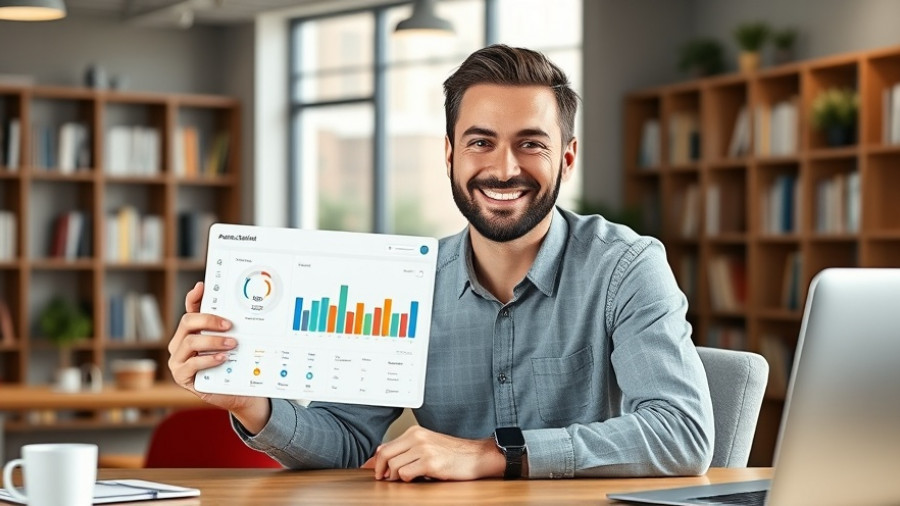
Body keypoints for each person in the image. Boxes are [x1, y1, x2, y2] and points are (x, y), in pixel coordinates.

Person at [168, 44, 713, 482]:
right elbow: (346, 438)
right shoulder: (404, 284)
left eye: (531, 144)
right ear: (450, 154)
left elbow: (681, 433)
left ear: (566, 158)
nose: (504, 169)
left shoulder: (626, 268)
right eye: (481, 142)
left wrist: (496, 454)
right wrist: (250, 403)